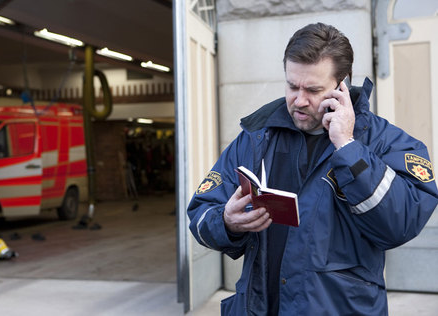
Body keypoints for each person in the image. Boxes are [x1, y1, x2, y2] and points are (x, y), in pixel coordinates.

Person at [187, 22, 438, 315]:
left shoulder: (385, 142)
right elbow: (200, 214)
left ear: (341, 86)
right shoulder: (255, 139)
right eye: (292, 86)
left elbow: (401, 224)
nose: (299, 100)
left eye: (313, 89)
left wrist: (348, 147)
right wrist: (226, 222)